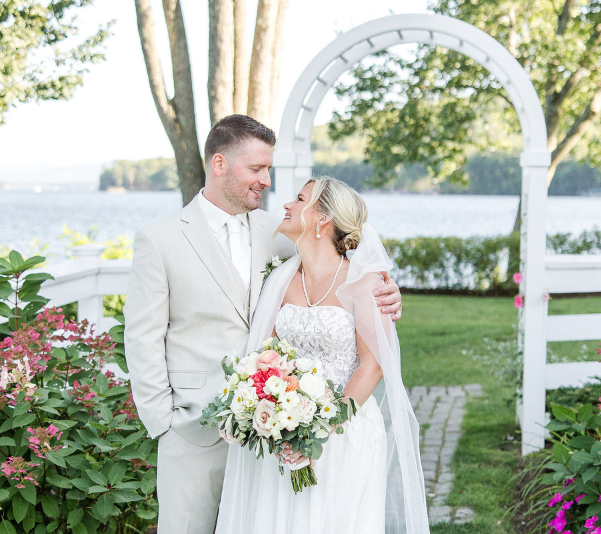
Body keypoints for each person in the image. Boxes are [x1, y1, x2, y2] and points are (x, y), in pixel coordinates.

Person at [123, 115, 403, 534]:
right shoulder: (159, 239)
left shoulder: (281, 230)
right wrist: (163, 422)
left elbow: (347, 258)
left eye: (268, 169)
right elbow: (141, 336)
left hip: (277, 429)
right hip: (193, 428)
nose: (266, 181)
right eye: (256, 169)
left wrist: (388, 292)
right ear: (219, 164)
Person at [215, 177, 430, 534]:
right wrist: (275, 415)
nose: (286, 205)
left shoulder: (365, 282)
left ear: (323, 219)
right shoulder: (282, 280)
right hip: (286, 429)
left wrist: (319, 432)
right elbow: (268, 358)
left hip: (346, 428)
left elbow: (373, 365)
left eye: (299, 199)